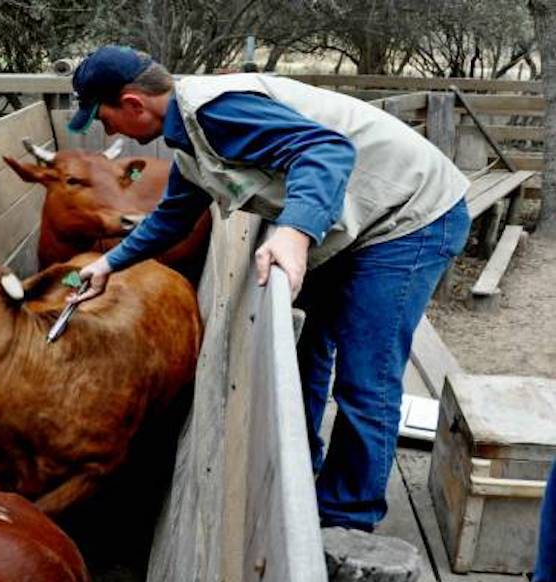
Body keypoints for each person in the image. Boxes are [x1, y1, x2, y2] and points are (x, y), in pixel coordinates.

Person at [65, 45, 471, 532]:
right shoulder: (190, 136)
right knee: (313, 347)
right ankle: (305, 468)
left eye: (104, 117)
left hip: (410, 215)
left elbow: (325, 151)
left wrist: (294, 232)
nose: (108, 131)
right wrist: (109, 263)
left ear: (133, 104)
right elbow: (173, 217)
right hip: (358, 220)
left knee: (368, 374)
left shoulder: (218, 111)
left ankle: (347, 520)